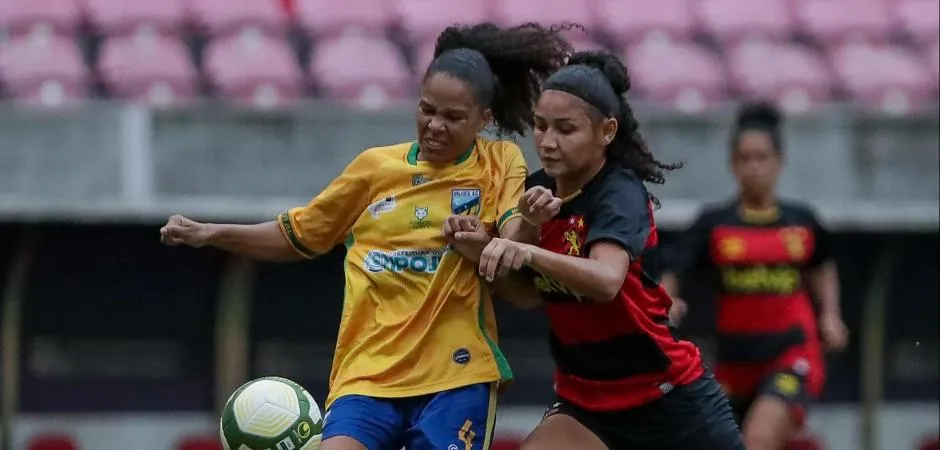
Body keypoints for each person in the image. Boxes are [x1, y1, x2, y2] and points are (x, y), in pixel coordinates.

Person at [159, 22, 572, 450]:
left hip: (456, 376)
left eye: (453, 118)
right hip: (367, 374)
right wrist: (212, 232)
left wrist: (514, 225)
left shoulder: (499, 161)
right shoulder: (374, 168)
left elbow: (511, 241)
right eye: (427, 109)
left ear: (483, 119)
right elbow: (300, 234)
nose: (434, 126)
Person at [450, 51, 745, 450]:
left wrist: (530, 253)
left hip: (667, 399)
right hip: (585, 401)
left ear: (606, 131)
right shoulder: (537, 189)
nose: (547, 142)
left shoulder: (618, 194)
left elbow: (606, 280)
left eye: (565, 129)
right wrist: (483, 247)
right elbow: (525, 294)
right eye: (539, 126)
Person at [661, 102, 849, 450]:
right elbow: (674, 272)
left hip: (792, 354)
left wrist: (831, 315)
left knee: (760, 436)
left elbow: (822, 265)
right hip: (735, 364)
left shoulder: (801, 221)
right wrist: (667, 300)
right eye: (745, 158)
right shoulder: (714, 224)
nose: (754, 168)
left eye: (762, 158)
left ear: (779, 162)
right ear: (733, 164)